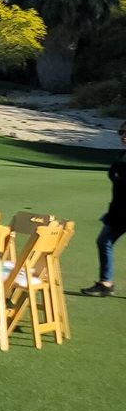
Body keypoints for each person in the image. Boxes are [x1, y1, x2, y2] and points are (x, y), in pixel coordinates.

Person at [81, 121, 126, 296]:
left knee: (104, 241)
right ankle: (105, 283)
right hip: (118, 211)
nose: (124, 136)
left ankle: (106, 283)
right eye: (121, 132)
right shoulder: (122, 156)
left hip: (122, 212)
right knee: (104, 241)